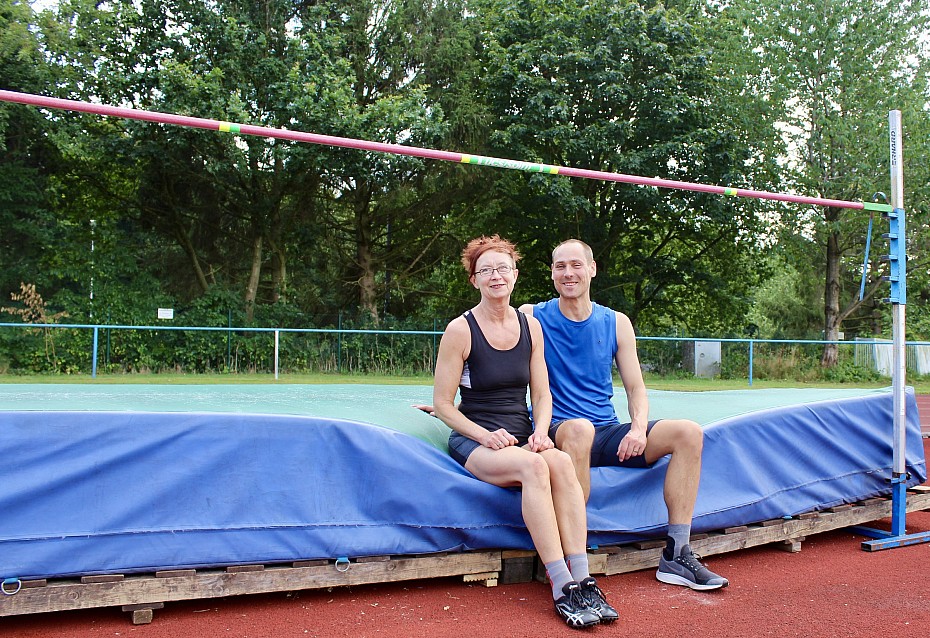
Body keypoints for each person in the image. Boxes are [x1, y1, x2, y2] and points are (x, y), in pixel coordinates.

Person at [517, 238, 728, 591]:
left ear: (592, 269)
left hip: (607, 430)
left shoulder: (616, 322)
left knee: (689, 432)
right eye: (560, 267)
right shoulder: (532, 316)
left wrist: (639, 429)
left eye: (576, 265)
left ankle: (677, 554)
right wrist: (460, 406)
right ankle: (574, 558)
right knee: (579, 430)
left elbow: (635, 387)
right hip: (559, 428)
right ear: (552, 275)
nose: (568, 273)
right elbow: (489, 349)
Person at [431, 235, 617, 628]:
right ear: (475, 280)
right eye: (486, 271)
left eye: (502, 269)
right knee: (535, 470)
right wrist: (483, 435)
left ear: (515, 275)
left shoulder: (530, 326)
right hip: (477, 438)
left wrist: (542, 431)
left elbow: (542, 393)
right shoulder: (460, 330)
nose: (495, 276)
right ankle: (561, 583)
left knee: (562, 463)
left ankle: (584, 577)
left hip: (521, 433)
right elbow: (445, 405)